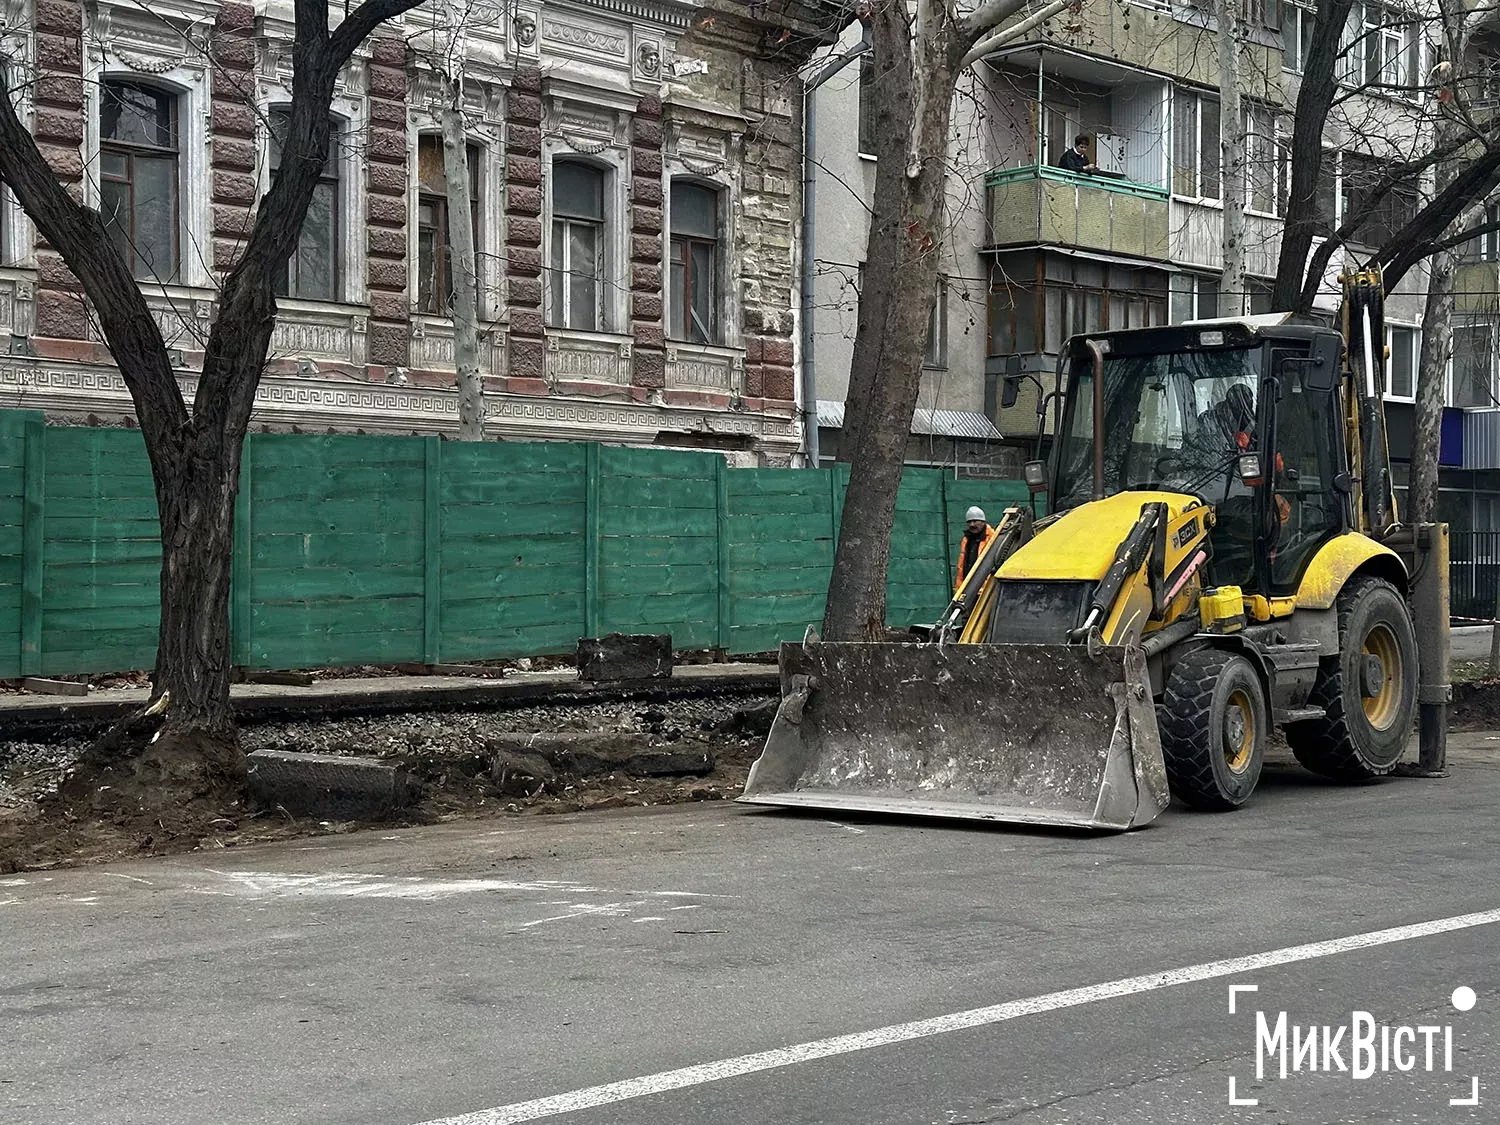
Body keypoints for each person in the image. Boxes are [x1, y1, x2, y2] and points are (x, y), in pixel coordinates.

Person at [955, 506, 996, 593]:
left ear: (983, 522)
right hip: (967, 589)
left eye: (975, 521)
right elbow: (962, 566)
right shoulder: (966, 540)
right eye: (969, 522)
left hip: (985, 591)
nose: (972, 524)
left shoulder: (993, 538)